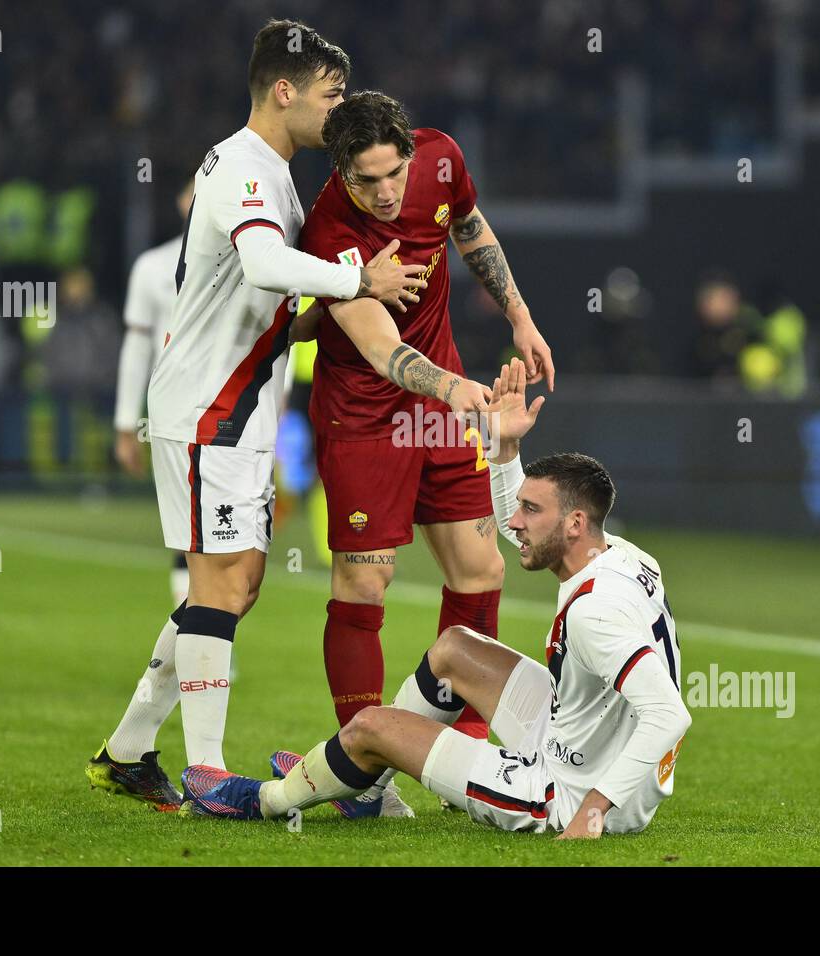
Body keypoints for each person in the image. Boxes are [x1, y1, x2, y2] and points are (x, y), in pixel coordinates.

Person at [85, 20, 426, 812]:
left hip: (235, 405)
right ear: (284, 91)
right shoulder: (244, 165)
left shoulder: (272, 171)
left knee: (232, 587)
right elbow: (265, 264)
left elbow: (267, 302)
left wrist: (324, 307)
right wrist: (357, 282)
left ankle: (130, 750)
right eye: (330, 95)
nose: (337, 109)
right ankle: (206, 771)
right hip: (210, 406)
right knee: (223, 582)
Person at [181, 359, 691, 838]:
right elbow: (526, 536)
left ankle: (265, 800)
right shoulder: (621, 555)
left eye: (531, 510)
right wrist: (505, 453)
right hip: (584, 743)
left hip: (564, 791)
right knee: (454, 649)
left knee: (369, 728)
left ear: (574, 523)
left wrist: (594, 808)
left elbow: (669, 715)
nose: (513, 523)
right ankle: (365, 790)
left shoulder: (594, 613)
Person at [286, 92, 556, 815]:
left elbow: (468, 226)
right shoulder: (329, 233)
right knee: (365, 582)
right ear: (340, 169)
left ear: (412, 152)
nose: (385, 192)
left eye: (394, 173)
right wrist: (455, 388)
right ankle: (360, 772)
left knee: (481, 567)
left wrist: (520, 315)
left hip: (441, 403)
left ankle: (465, 765)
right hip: (366, 415)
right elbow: (378, 348)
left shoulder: (440, 158)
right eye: (367, 179)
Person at [112, 179, 195, 605]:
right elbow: (137, 347)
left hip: (240, 410)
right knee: (191, 537)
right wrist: (126, 424)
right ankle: (200, 647)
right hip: (175, 412)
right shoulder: (152, 267)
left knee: (236, 545)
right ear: (182, 202)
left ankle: (204, 643)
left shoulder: (253, 263)